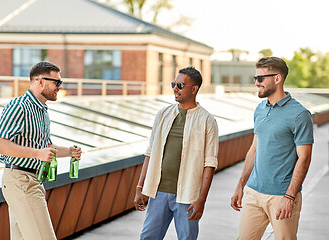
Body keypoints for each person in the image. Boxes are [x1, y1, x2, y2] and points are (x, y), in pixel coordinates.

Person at [0, 61, 82, 240]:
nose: (60, 86)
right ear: (40, 81)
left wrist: (69, 152)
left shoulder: (42, 110)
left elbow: (45, 147)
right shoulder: (19, 106)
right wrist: (36, 153)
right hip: (20, 181)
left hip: (33, 181)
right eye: (56, 82)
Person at [230, 57, 314, 240]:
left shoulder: (300, 115)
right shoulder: (260, 109)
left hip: (282, 196)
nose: (256, 83)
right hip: (254, 192)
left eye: (260, 79)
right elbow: (254, 149)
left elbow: (304, 158)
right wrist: (240, 186)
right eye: (255, 78)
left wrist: (289, 197)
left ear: (277, 78)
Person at [134, 66, 219, 240]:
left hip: (188, 196)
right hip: (158, 192)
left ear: (194, 89)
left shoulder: (207, 121)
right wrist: (140, 188)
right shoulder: (162, 115)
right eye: (174, 83)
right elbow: (150, 153)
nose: (174, 88)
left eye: (180, 85)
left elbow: (209, 164)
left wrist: (201, 200)